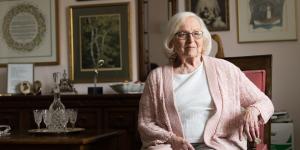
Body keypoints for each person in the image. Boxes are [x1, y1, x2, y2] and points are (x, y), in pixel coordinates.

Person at [138, 12, 274, 150]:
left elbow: (265, 102)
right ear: (171, 41)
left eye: (196, 33)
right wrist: (172, 140)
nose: (191, 40)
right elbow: (146, 123)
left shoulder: (226, 70)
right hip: (171, 146)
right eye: (182, 34)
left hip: (218, 144)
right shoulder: (156, 77)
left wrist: (253, 110)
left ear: (203, 39)